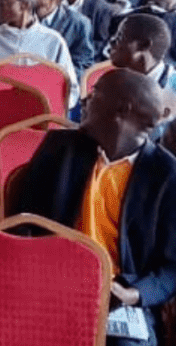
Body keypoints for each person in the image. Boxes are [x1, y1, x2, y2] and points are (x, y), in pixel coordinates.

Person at [11, 69, 176, 346]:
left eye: (96, 93)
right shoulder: (59, 148)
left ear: (121, 110)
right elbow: (21, 223)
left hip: (118, 298)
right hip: (49, 284)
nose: (85, 99)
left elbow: (172, 267)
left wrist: (132, 294)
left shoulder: (166, 175)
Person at [0, 0, 79, 108]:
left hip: (41, 112)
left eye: (5, 3)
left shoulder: (53, 40)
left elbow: (70, 87)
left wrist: (51, 109)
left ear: (25, 6)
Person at [35, 0, 95, 77]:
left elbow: (82, 64)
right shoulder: (23, 16)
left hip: (59, 81)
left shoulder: (79, 23)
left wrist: (56, 78)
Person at [110, 14, 176, 95]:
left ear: (144, 45)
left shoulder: (172, 91)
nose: (112, 41)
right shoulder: (111, 78)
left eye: (120, 36)